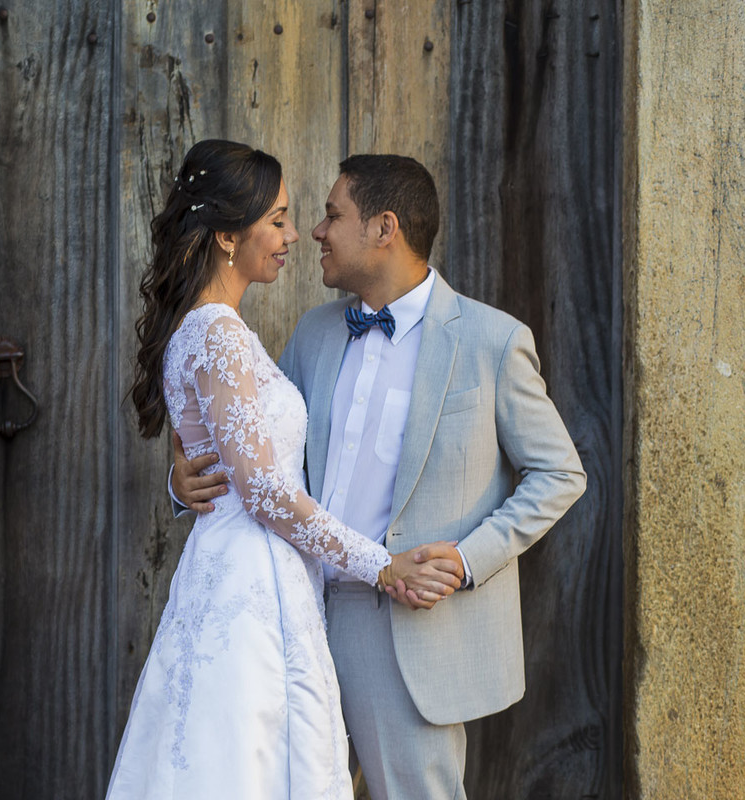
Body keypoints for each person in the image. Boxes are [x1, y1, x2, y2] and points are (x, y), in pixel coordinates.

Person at [171, 154, 587, 799]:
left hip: (404, 628)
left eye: (333, 215)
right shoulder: (313, 335)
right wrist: (182, 482)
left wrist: (467, 559)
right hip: (293, 612)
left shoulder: (491, 340)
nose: (315, 231)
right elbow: (255, 455)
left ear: (383, 228)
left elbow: (559, 472)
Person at [106, 141, 465, 800]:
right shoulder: (216, 334)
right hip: (251, 582)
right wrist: (380, 564)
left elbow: (230, 460)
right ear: (224, 236)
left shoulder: (224, 333)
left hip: (263, 575)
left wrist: (180, 484)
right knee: (248, 763)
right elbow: (267, 493)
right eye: (276, 219)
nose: (294, 235)